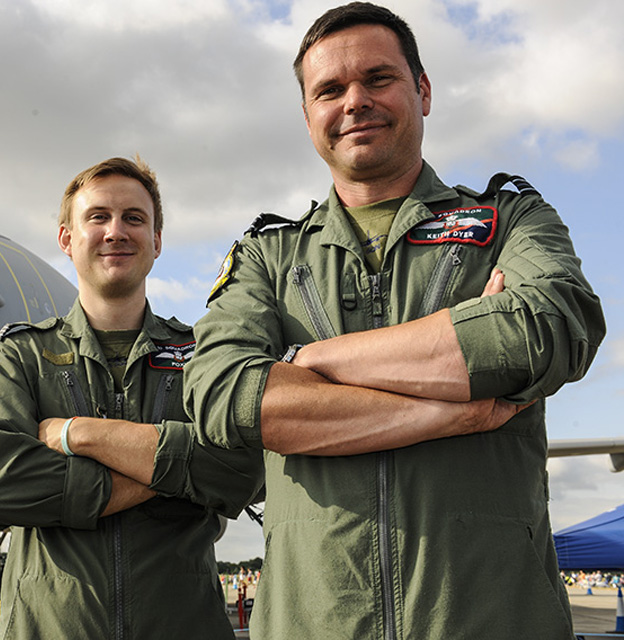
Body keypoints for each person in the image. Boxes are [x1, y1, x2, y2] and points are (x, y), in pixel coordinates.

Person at [184, 3, 605, 639]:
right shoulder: (266, 256)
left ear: (423, 91)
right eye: (330, 89)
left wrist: (309, 363)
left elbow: (545, 329)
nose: (355, 101)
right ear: (308, 117)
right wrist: (454, 405)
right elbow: (223, 396)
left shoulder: (509, 219)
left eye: (378, 79)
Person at [0, 156, 263, 639]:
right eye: (97, 216)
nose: (115, 231)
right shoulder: (19, 356)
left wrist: (80, 434)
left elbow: (243, 471)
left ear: (157, 241)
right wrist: (173, 467)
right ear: (67, 239)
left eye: (134, 218)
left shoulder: (203, 355)